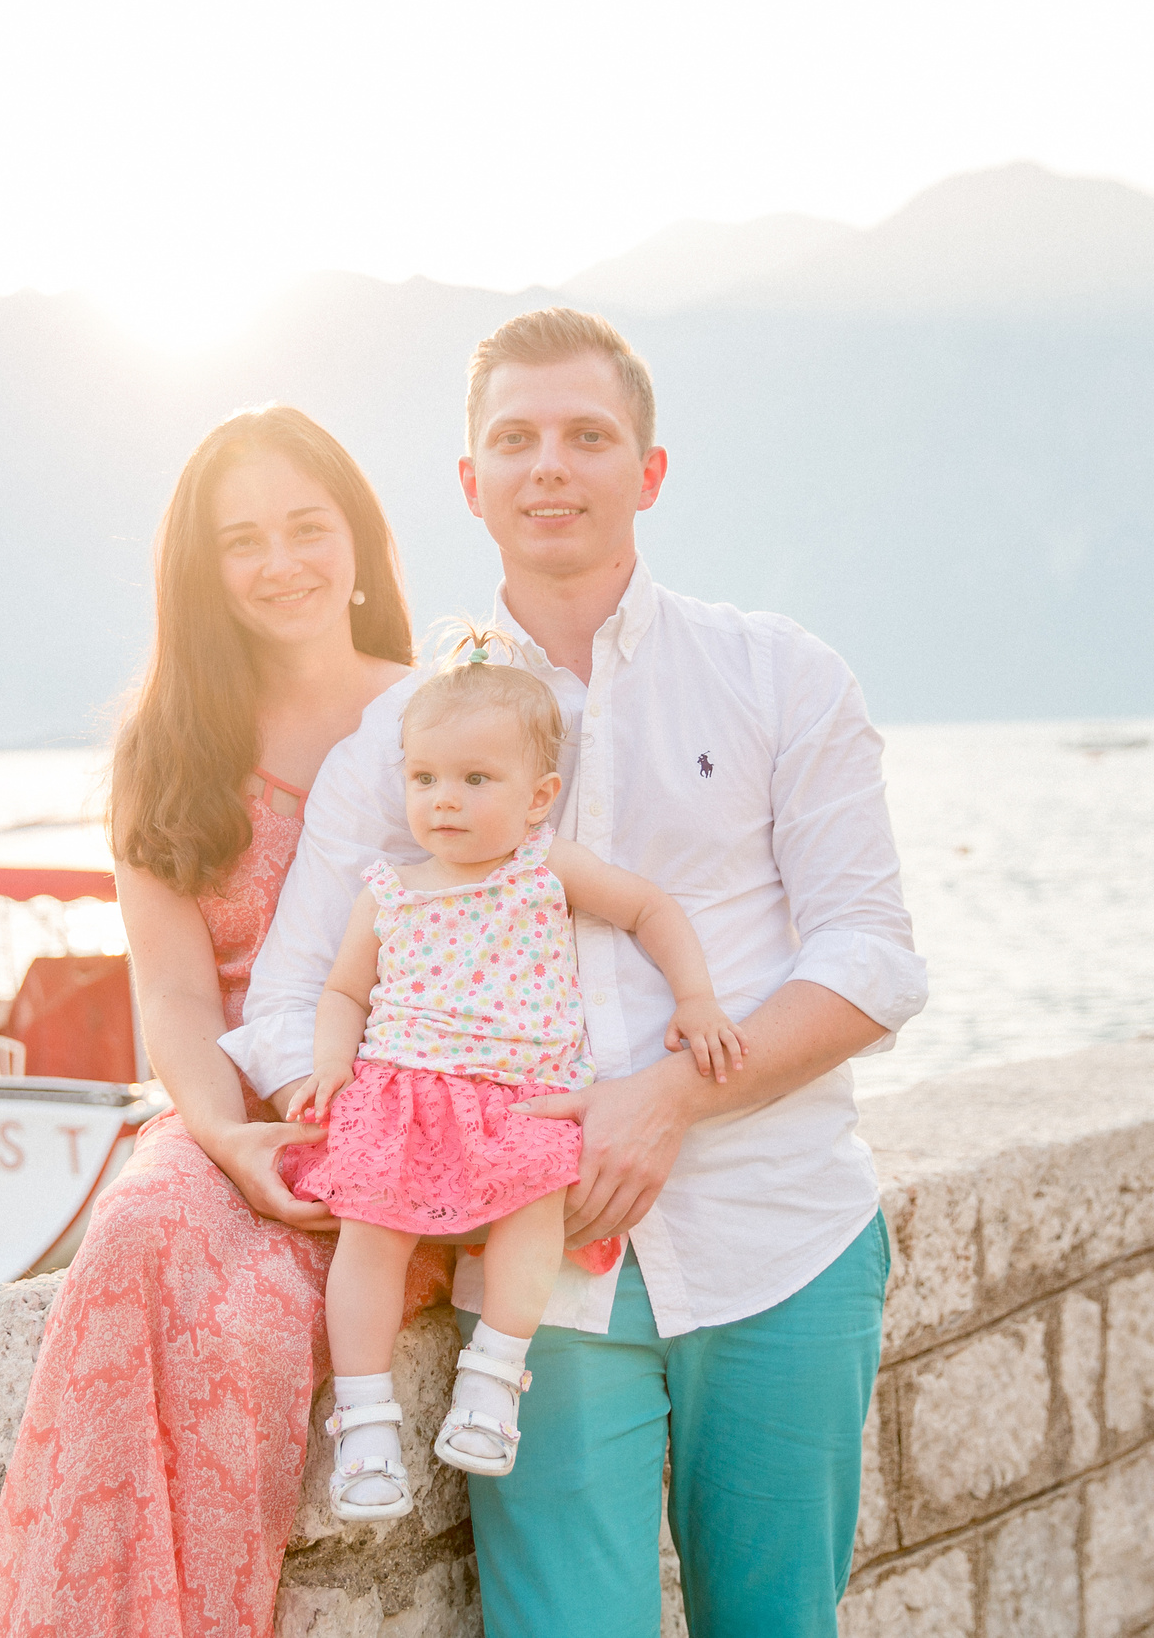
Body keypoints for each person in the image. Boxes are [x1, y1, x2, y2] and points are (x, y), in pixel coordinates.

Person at [225, 309, 928, 1637]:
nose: (549, 464)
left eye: (588, 436)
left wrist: (668, 1100)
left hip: (781, 1233)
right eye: (516, 439)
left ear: (648, 470)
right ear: (470, 481)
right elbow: (288, 999)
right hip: (534, 1287)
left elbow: (872, 954)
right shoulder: (400, 740)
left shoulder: (779, 674)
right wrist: (416, 1145)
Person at [0, 405, 450, 1638]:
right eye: (242, 541)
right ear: (202, 571)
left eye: (305, 526)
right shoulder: (167, 750)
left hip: (407, 1111)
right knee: (130, 1246)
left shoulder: (437, 718)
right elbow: (174, 993)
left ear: (356, 538)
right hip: (228, 1108)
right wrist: (230, 1141)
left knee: (251, 1327)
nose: (280, 562)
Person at [281, 629, 745, 1523]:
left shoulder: (543, 868)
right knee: (369, 1236)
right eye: (425, 778)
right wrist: (331, 1061)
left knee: (534, 1216)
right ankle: (366, 1419)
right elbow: (344, 989)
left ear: (539, 798)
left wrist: (696, 997)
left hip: (519, 1098)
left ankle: (493, 1377)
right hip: (402, 1093)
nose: (444, 800)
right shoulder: (391, 889)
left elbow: (649, 907)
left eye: (475, 779)